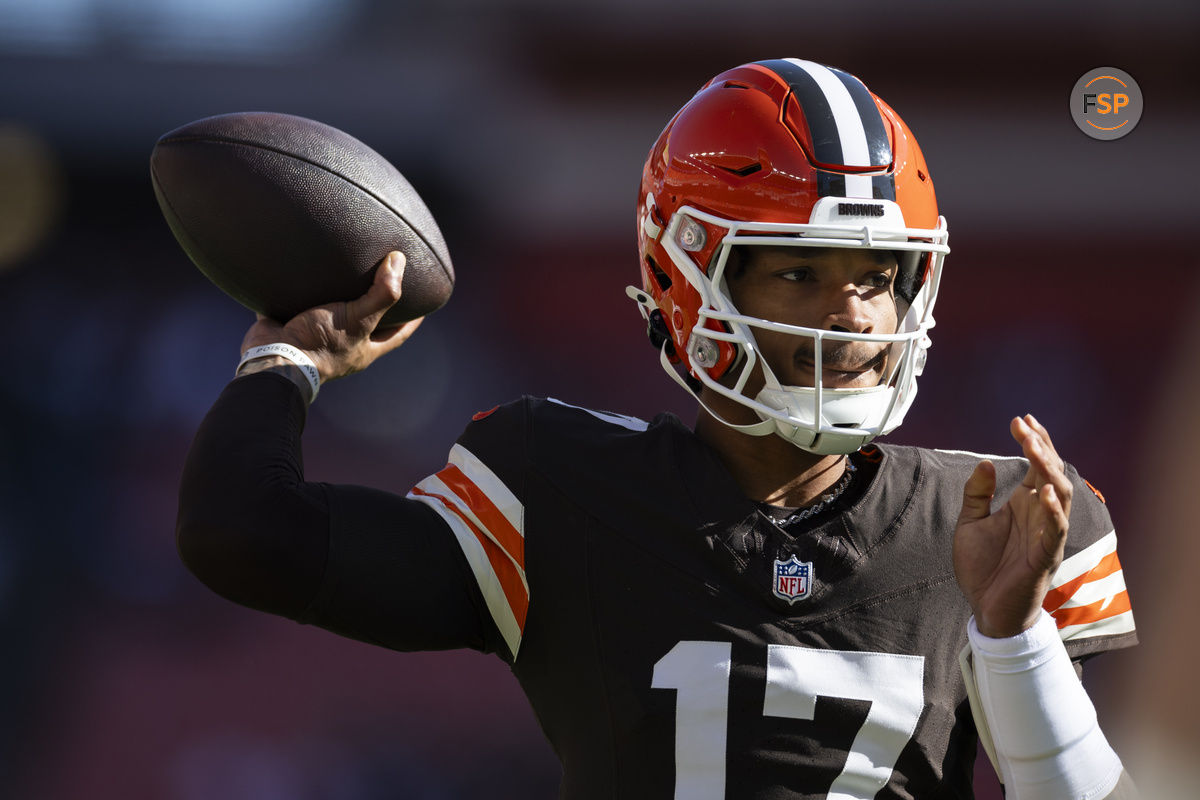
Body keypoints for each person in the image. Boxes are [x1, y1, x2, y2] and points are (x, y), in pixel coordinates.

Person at [177, 59, 1138, 798]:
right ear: (690, 284)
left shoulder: (999, 517)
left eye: (877, 277)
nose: (853, 318)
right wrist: (290, 361)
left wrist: (1010, 636)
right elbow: (245, 536)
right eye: (800, 273)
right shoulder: (557, 485)